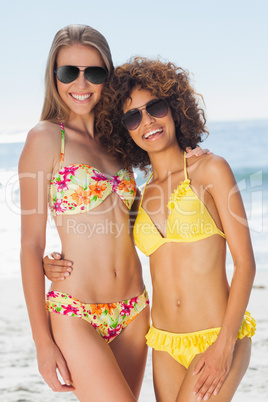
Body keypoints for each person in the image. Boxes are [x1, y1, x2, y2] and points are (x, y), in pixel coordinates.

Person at [19, 25, 205, 401]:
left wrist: (192, 164)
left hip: (135, 309)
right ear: (54, 76)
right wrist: (43, 343)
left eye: (95, 72)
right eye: (69, 72)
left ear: (109, 75)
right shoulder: (44, 138)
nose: (81, 83)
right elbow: (30, 243)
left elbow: (143, 209)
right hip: (76, 312)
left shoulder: (120, 138)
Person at [88, 57, 257, 401]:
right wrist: (54, 263)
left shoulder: (211, 170)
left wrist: (224, 347)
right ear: (125, 131)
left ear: (175, 107)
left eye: (155, 107)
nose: (147, 122)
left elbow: (245, 264)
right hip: (163, 343)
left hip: (217, 336)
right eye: (133, 116)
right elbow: (105, 253)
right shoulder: (137, 196)